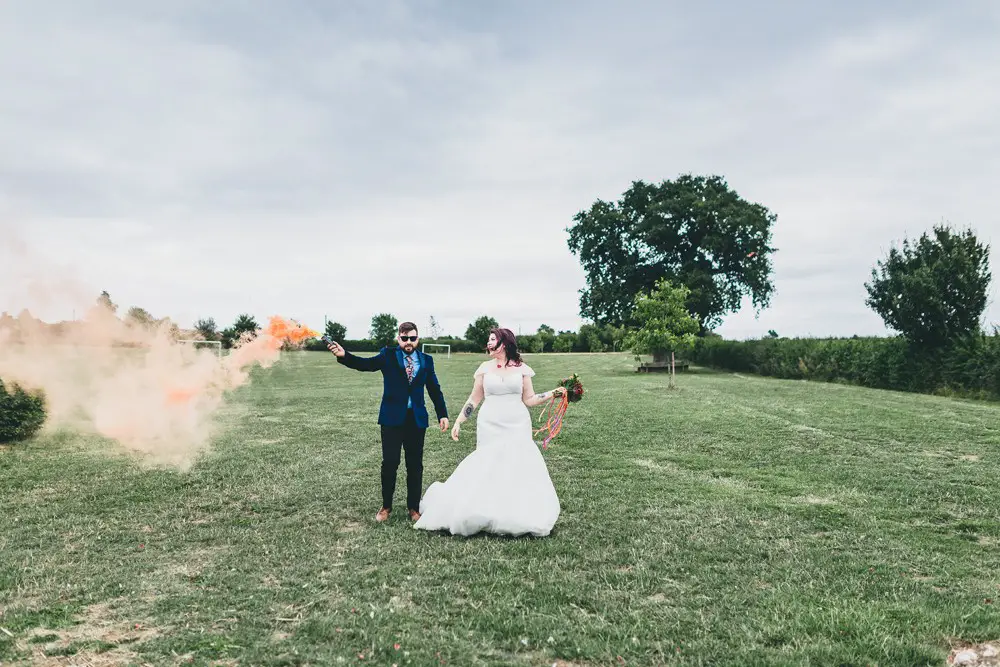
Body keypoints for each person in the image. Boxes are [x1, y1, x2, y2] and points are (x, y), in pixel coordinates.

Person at [413, 327, 564, 537]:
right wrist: (459, 421)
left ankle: (515, 512)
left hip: (517, 423)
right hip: (490, 423)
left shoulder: (522, 369)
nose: (489, 343)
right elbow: (474, 399)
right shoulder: (484, 368)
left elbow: (530, 399)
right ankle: (484, 509)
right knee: (488, 463)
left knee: (516, 464)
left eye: (493, 339)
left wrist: (553, 393)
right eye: (489, 339)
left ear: (505, 343)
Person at [327, 322, 449, 523]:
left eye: (412, 338)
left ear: (418, 339)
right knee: (390, 463)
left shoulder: (427, 360)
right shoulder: (388, 355)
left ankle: (413, 508)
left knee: (415, 465)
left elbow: (434, 388)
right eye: (404, 338)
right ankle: (386, 507)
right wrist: (344, 355)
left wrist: (442, 414)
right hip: (392, 419)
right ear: (398, 338)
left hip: (416, 420)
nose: (408, 342)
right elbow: (365, 364)